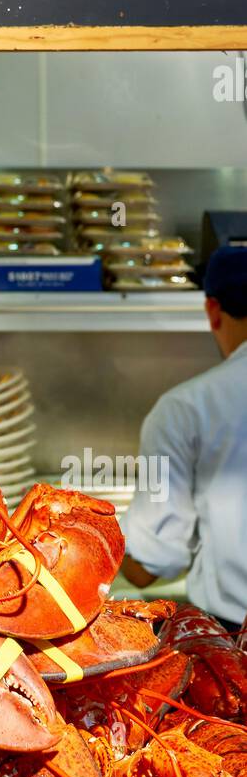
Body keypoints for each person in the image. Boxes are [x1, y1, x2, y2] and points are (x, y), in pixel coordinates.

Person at [121, 245, 247, 632]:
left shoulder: (185, 409)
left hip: (232, 646)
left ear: (212, 311)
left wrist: (86, 529)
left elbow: (149, 563)